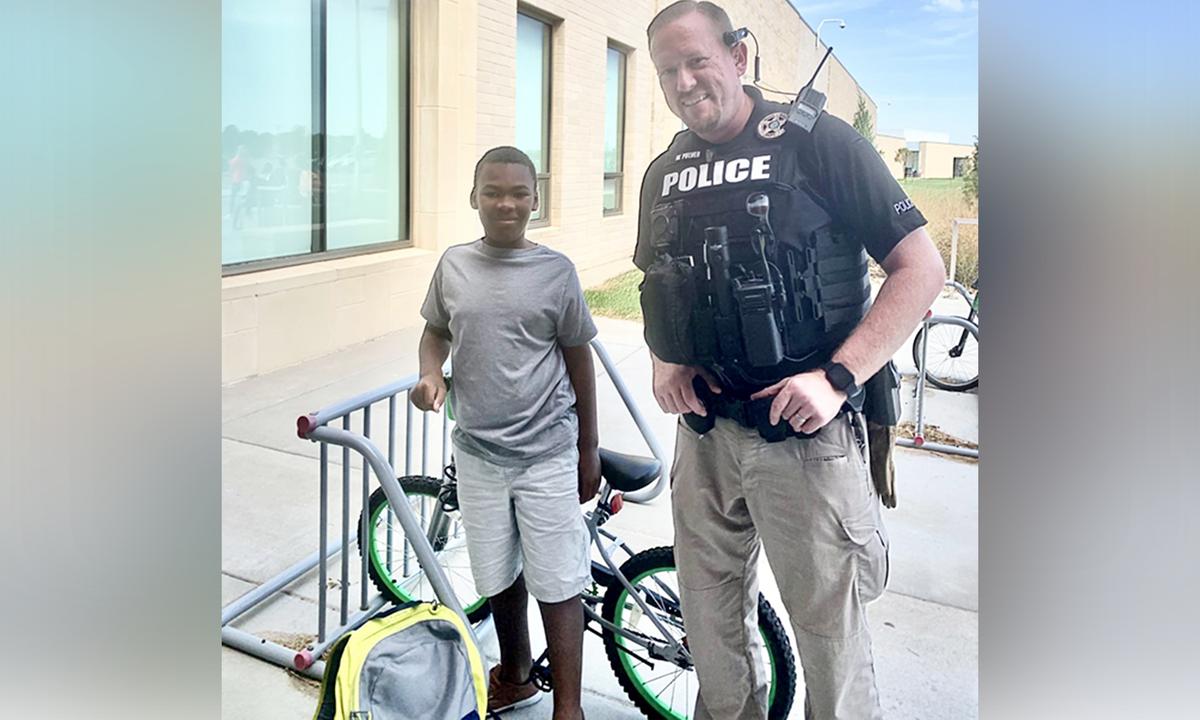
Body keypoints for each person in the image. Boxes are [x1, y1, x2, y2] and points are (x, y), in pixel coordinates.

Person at [635, 3, 947, 718]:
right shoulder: (664, 172)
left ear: (739, 57)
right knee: (710, 630)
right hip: (706, 439)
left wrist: (839, 378)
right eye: (666, 72)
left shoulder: (820, 146)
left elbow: (919, 269)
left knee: (828, 642)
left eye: (696, 62)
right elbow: (658, 280)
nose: (683, 83)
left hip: (804, 442)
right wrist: (662, 360)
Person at [411, 145, 600, 720]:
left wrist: (587, 449)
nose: (506, 203)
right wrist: (428, 373)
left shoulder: (555, 272)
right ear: (474, 198)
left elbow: (579, 361)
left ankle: (569, 709)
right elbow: (434, 331)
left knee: (559, 580)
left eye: (519, 192)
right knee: (498, 574)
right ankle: (516, 675)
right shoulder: (453, 265)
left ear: (535, 200)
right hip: (478, 454)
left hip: (546, 452)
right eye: (493, 191)